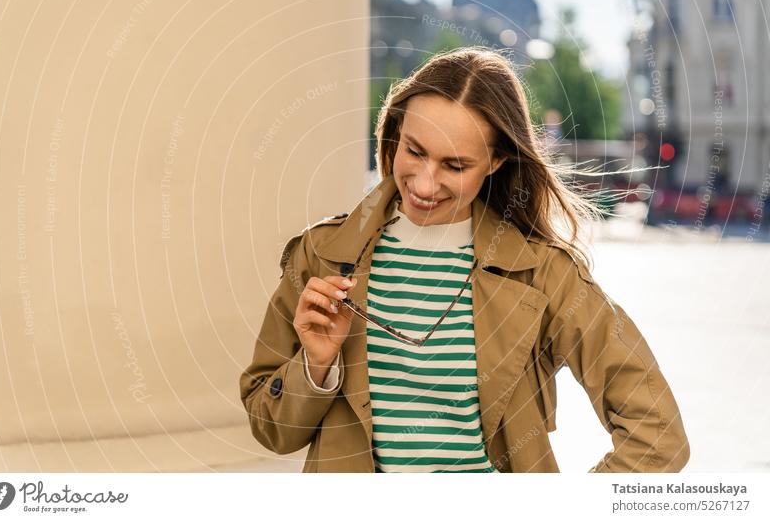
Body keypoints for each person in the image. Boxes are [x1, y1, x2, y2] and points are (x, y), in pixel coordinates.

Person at [239, 47, 690, 473]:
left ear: (495, 161)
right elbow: (271, 429)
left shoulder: (545, 274)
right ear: (395, 135)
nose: (425, 182)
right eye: (415, 151)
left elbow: (658, 434)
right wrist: (315, 367)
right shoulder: (320, 254)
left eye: (454, 166)